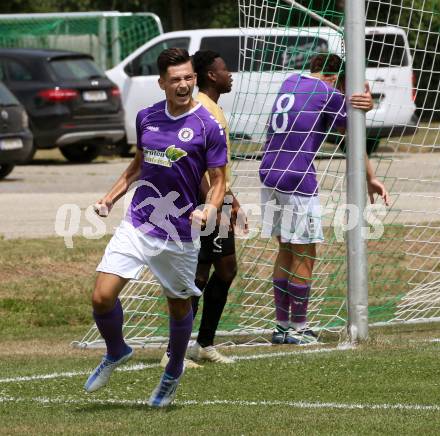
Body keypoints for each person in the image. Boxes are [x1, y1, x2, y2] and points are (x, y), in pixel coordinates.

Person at [83, 47, 228, 408]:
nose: (183, 85)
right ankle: (116, 351)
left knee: (178, 307)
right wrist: (109, 198)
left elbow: (219, 179)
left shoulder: (208, 126)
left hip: (179, 232)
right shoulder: (147, 117)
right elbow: (136, 168)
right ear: (161, 82)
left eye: (189, 78)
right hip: (138, 221)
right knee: (101, 297)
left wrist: (209, 208)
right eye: (176, 79)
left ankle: (173, 370)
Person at [259, 53, 390, 345]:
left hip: (268, 172)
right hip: (296, 177)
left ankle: (282, 327)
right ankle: (299, 328)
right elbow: (353, 132)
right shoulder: (328, 92)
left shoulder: (291, 81)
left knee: (286, 250)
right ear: (335, 78)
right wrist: (362, 106)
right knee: (305, 253)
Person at [160, 49, 244, 366]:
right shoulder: (203, 113)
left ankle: (204, 344)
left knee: (225, 268)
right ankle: (174, 351)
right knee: (198, 274)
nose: (230, 74)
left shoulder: (213, 110)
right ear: (211, 74)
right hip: (202, 203)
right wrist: (215, 203)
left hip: (216, 199)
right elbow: (198, 169)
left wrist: (230, 199)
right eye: (225, 68)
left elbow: (218, 168)